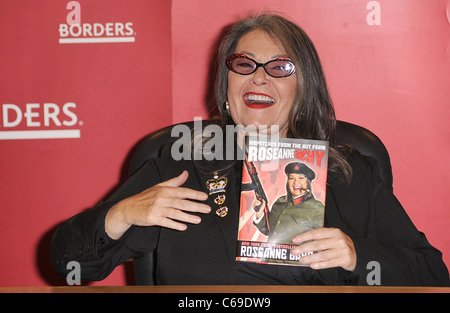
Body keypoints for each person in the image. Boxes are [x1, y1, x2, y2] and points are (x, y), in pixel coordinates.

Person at [51, 13, 450, 286]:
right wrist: (121, 214)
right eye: (243, 64)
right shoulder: (182, 162)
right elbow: (69, 263)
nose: (259, 78)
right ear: (226, 88)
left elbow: (434, 275)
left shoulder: (350, 173)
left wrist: (356, 254)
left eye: (280, 67)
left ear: (303, 88)